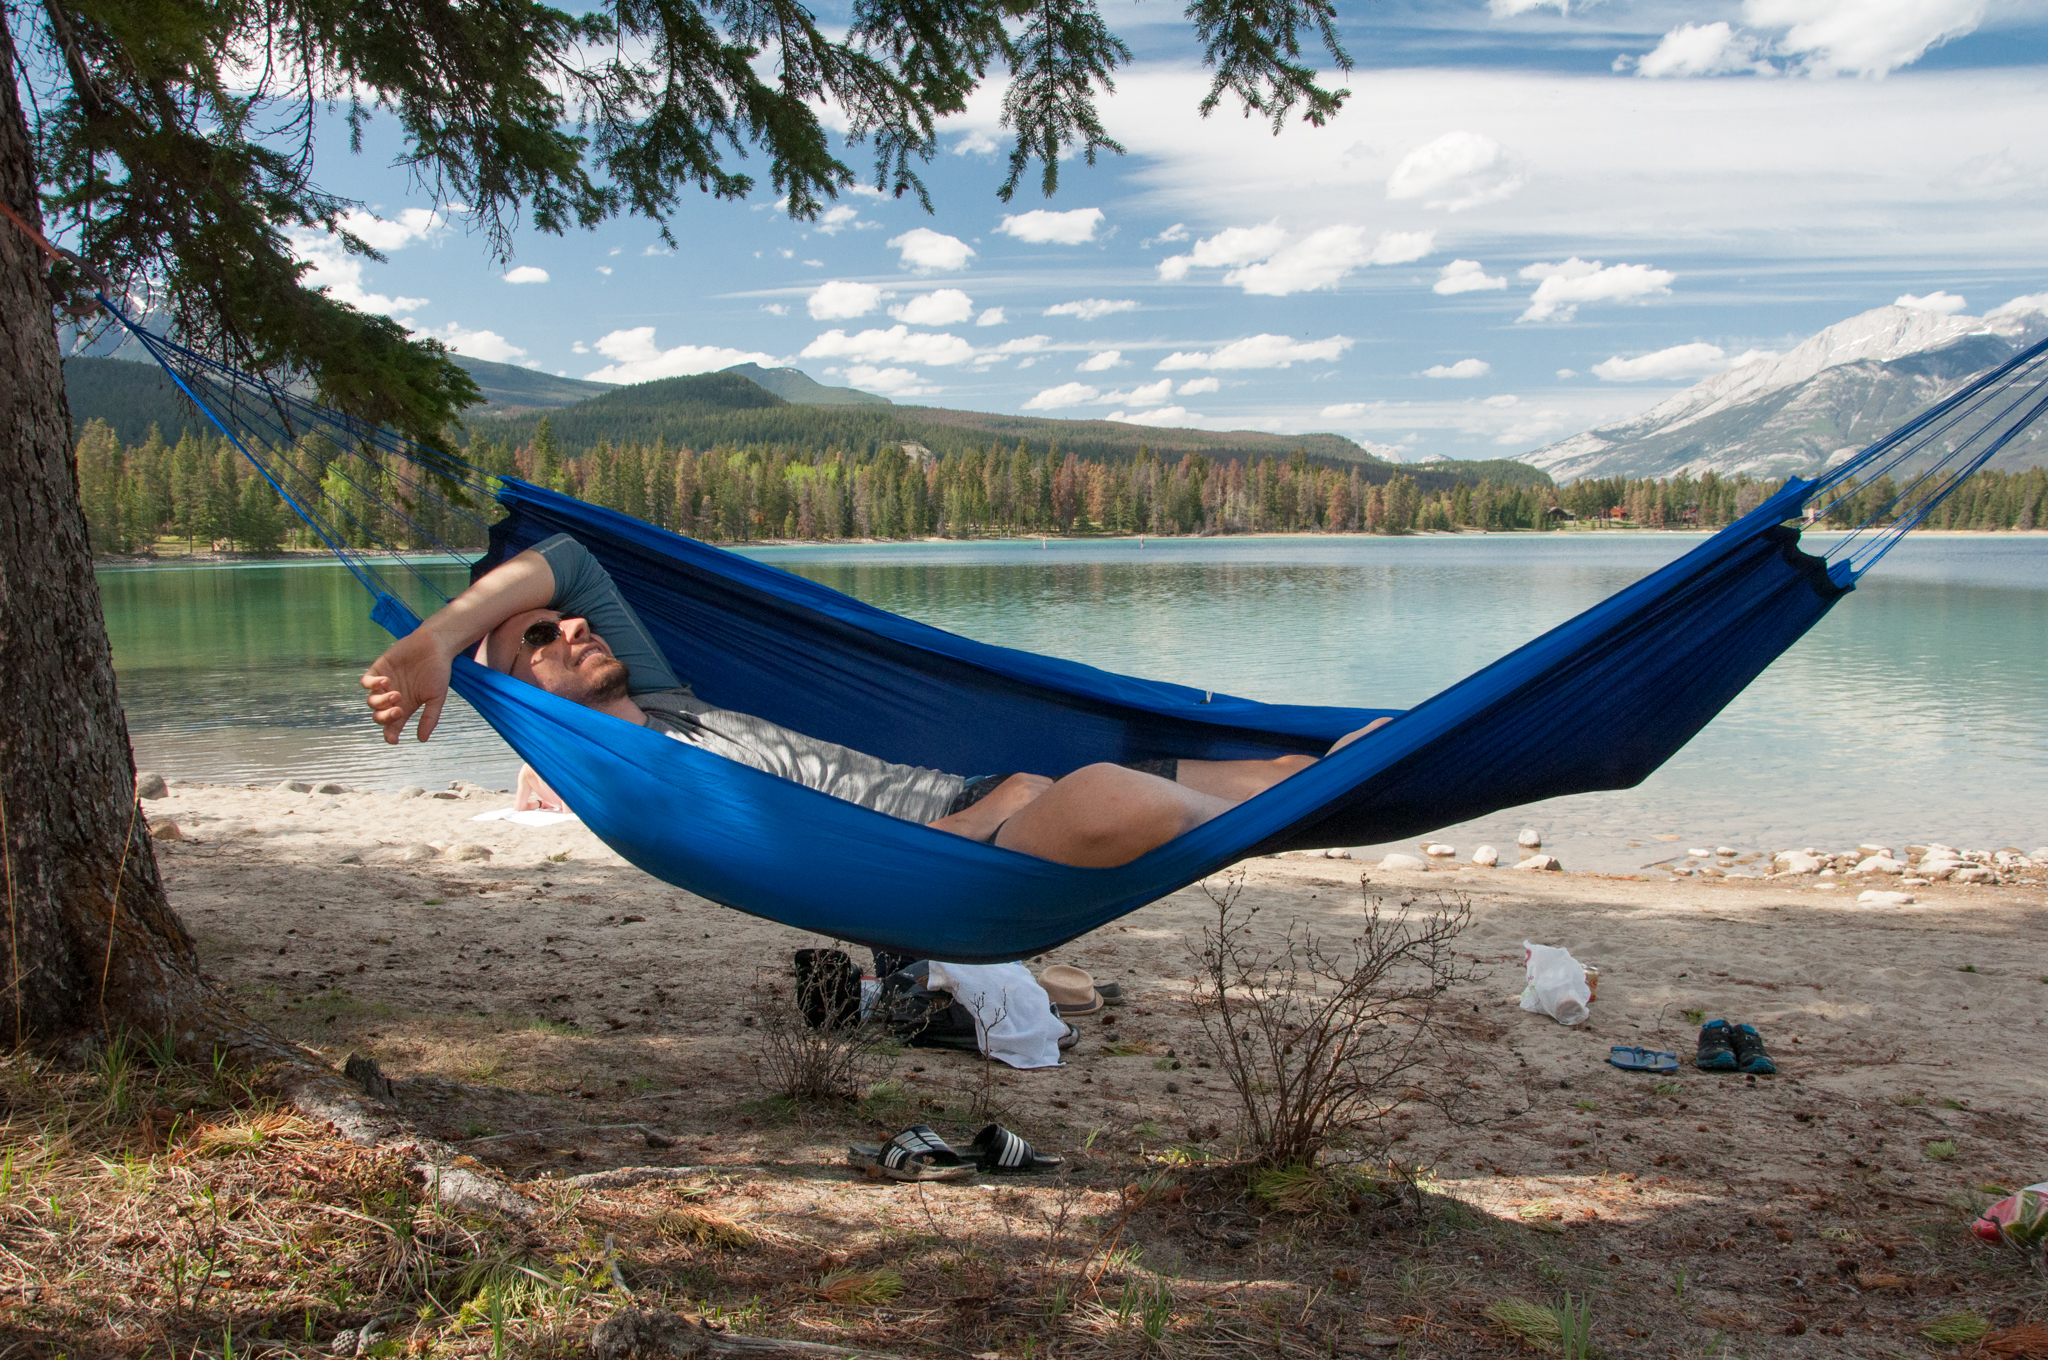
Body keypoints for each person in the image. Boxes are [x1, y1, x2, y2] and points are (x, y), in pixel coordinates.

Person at [362, 534, 1388, 868]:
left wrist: (433, 640)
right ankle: (1288, 806)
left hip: (995, 793)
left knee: (1322, 763)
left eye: (569, 621)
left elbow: (568, 561)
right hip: (950, 853)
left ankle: (1372, 771)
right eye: (540, 639)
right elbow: (803, 857)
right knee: (1124, 795)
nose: (572, 626)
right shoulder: (628, 780)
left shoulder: (664, 697)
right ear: (514, 688)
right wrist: (479, 665)